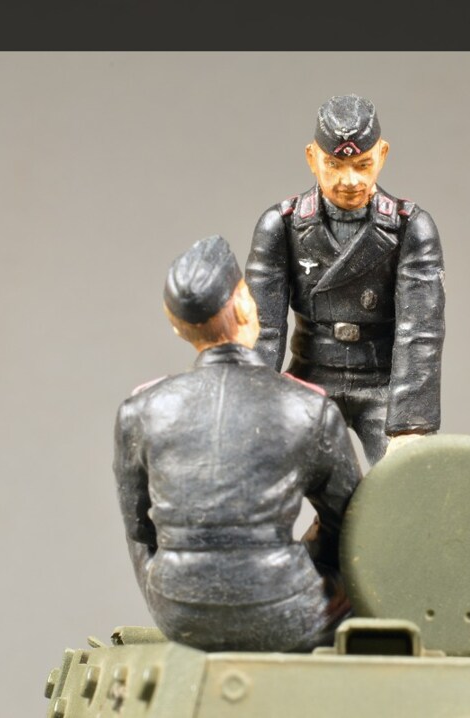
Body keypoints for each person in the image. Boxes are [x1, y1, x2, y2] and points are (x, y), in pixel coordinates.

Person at [113, 235, 362, 652]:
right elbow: (350, 523)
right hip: (285, 614)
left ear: (176, 325)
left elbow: (140, 531)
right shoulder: (307, 406)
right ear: (246, 304)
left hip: (179, 614)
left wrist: (172, 595)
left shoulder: (140, 410)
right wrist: (299, 561)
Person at [245, 94, 446, 466]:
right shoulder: (282, 225)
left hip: (384, 384)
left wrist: (409, 424)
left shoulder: (410, 228)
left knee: (410, 477)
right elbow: (262, 328)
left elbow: (420, 331)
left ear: (382, 155)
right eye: (334, 165)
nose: (349, 180)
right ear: (312, 158)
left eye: (362, 164)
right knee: (265, 467)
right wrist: (251, 403)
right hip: (309, 377)